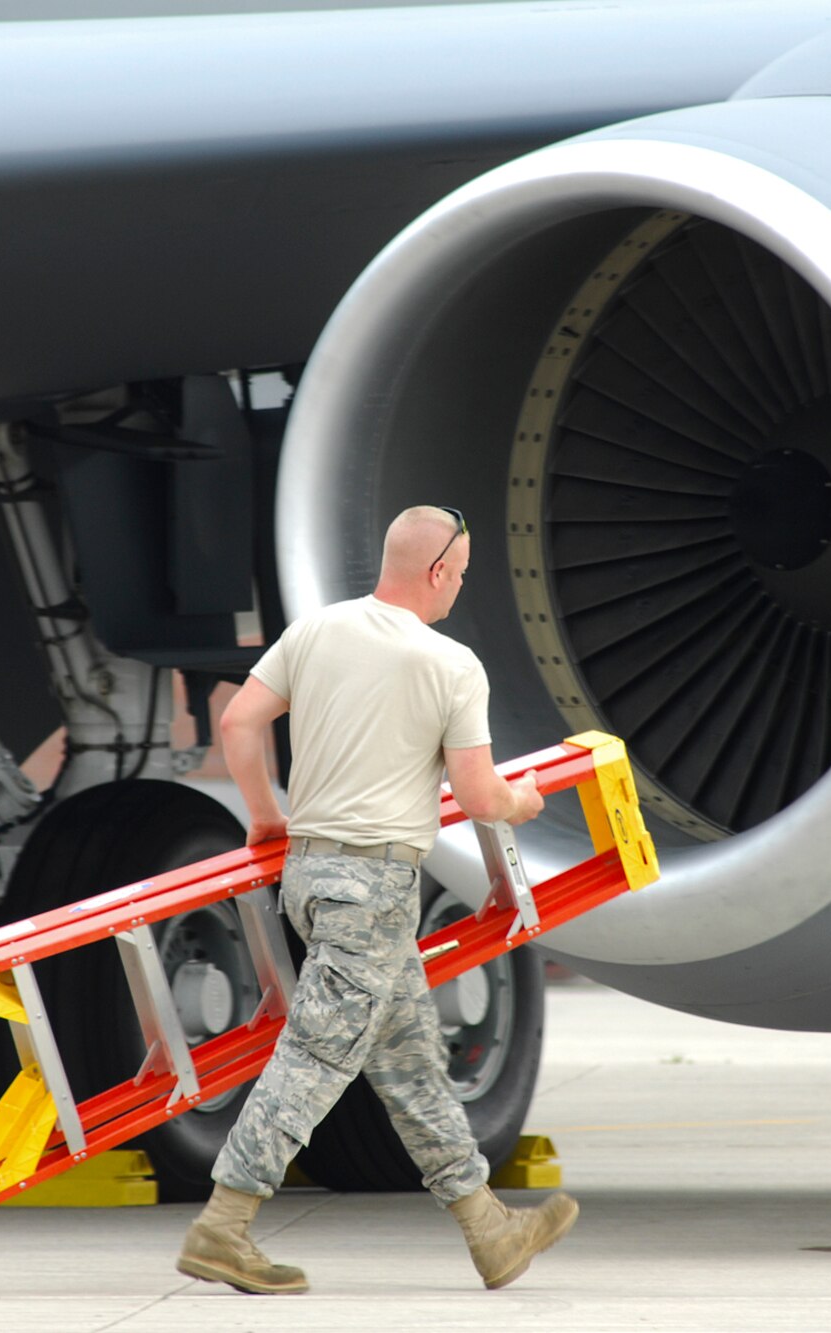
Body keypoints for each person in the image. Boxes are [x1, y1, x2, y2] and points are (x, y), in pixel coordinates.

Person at [175, 504, 578, 1295]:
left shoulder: (317, 632)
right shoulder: (450, 663)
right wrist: (524, 801)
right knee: (316, 1057)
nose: (459, 589)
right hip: (375, 884)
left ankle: (490, 1231)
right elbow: (477, 791)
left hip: (313, 877)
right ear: (437, 572)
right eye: (459, 575)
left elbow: (239, 722)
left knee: (411, 1061)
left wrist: (264, 811)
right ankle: (222, 1228)